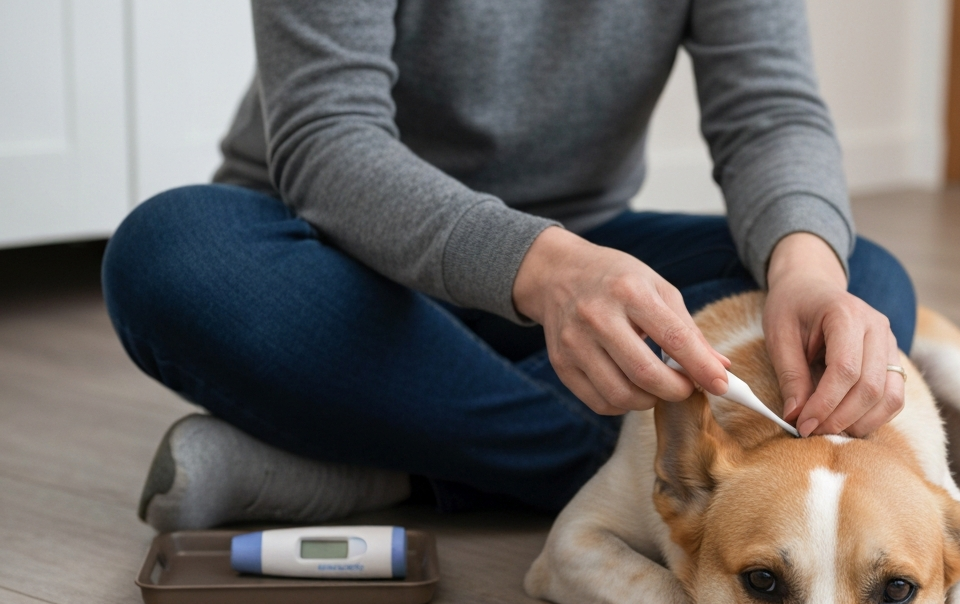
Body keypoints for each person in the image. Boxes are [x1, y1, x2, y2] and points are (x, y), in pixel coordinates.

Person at [102, 0, 917, 530]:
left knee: (863, 280)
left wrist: (806, 275)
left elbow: (770, 111)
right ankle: (617, 477)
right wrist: (546, 268)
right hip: (332, 255)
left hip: (582, 246)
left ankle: (388, 472)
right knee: (169, 254)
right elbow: (328, 139)